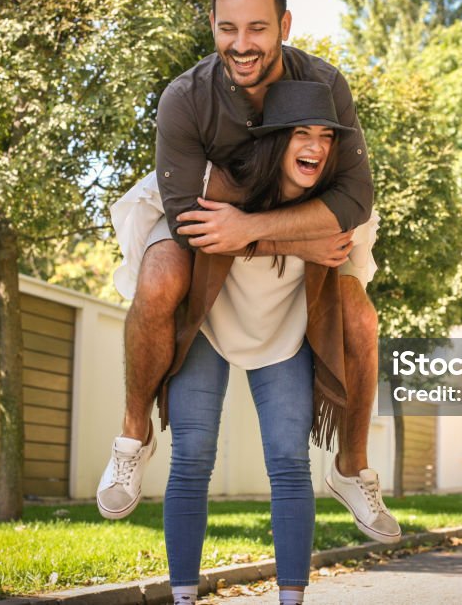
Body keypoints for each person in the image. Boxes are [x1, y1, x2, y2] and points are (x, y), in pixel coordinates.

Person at [97, 0, 396, 543]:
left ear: (283, 24)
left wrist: (255, 231)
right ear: (212, 24)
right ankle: (134, 433)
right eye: (227, 28)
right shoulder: (185, 98)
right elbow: (189, 219)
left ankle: (351, 467)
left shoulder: (324, 83)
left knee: (362, 319)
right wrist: (260, 232)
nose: (242, 44)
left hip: (294, 210)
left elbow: (355, 197)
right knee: (159, 279)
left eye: (257, 28)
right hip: (206, 211)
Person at [128, 80, 386, 605]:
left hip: (283, 332)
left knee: (289, 462)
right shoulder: (227, 180)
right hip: (209, 321)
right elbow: (163, 203)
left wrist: (275, 236)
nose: (315, 146)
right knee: (193, 455)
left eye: (326, 137)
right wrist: (265, 234)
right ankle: (182, 598)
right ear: (275, 140)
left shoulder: (337, 202)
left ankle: (292, 598)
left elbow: (347, 263)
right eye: (301, 134)